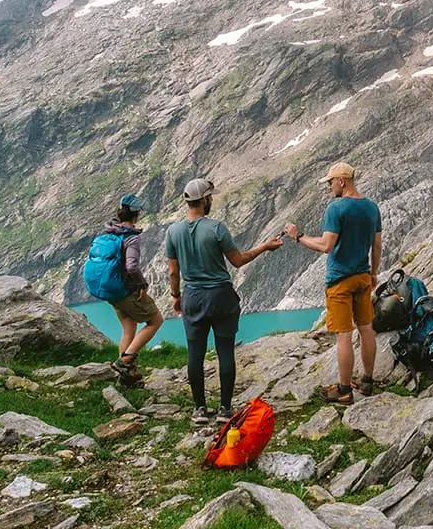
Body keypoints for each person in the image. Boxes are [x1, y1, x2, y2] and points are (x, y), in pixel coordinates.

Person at [163, 177, 283, 423]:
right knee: (225, 350)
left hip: (192, 297)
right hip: (220, 296)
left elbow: (173, 271)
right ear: (205, 199)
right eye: (210, 197)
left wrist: (176, 296)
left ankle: (199, 409)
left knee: (195, 354)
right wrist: (265, 247)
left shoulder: (173, 232)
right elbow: (238, 260)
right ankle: (225, 409)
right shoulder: (216, 228)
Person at [285, 162, 382, 405]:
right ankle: (367, 381)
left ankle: (344, 390)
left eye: (330, 182)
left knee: (343, 336)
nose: (329, 186)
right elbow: (377, 244)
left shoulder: (336, 208)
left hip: (340, 280)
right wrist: (373, 273)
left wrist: (298, 236)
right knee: (367, 328)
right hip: (362, 276)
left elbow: (326, 245)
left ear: (342, 181)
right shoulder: (371, 207)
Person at [106, 194, 161, 385]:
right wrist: (142, 284)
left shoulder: (111, 231)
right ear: (136, 214)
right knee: (155, 321)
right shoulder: (131, 237)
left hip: (112, 290)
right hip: (126, 289)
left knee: (128, 330)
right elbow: (131, 266)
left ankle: (126, 378)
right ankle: (125, 360)